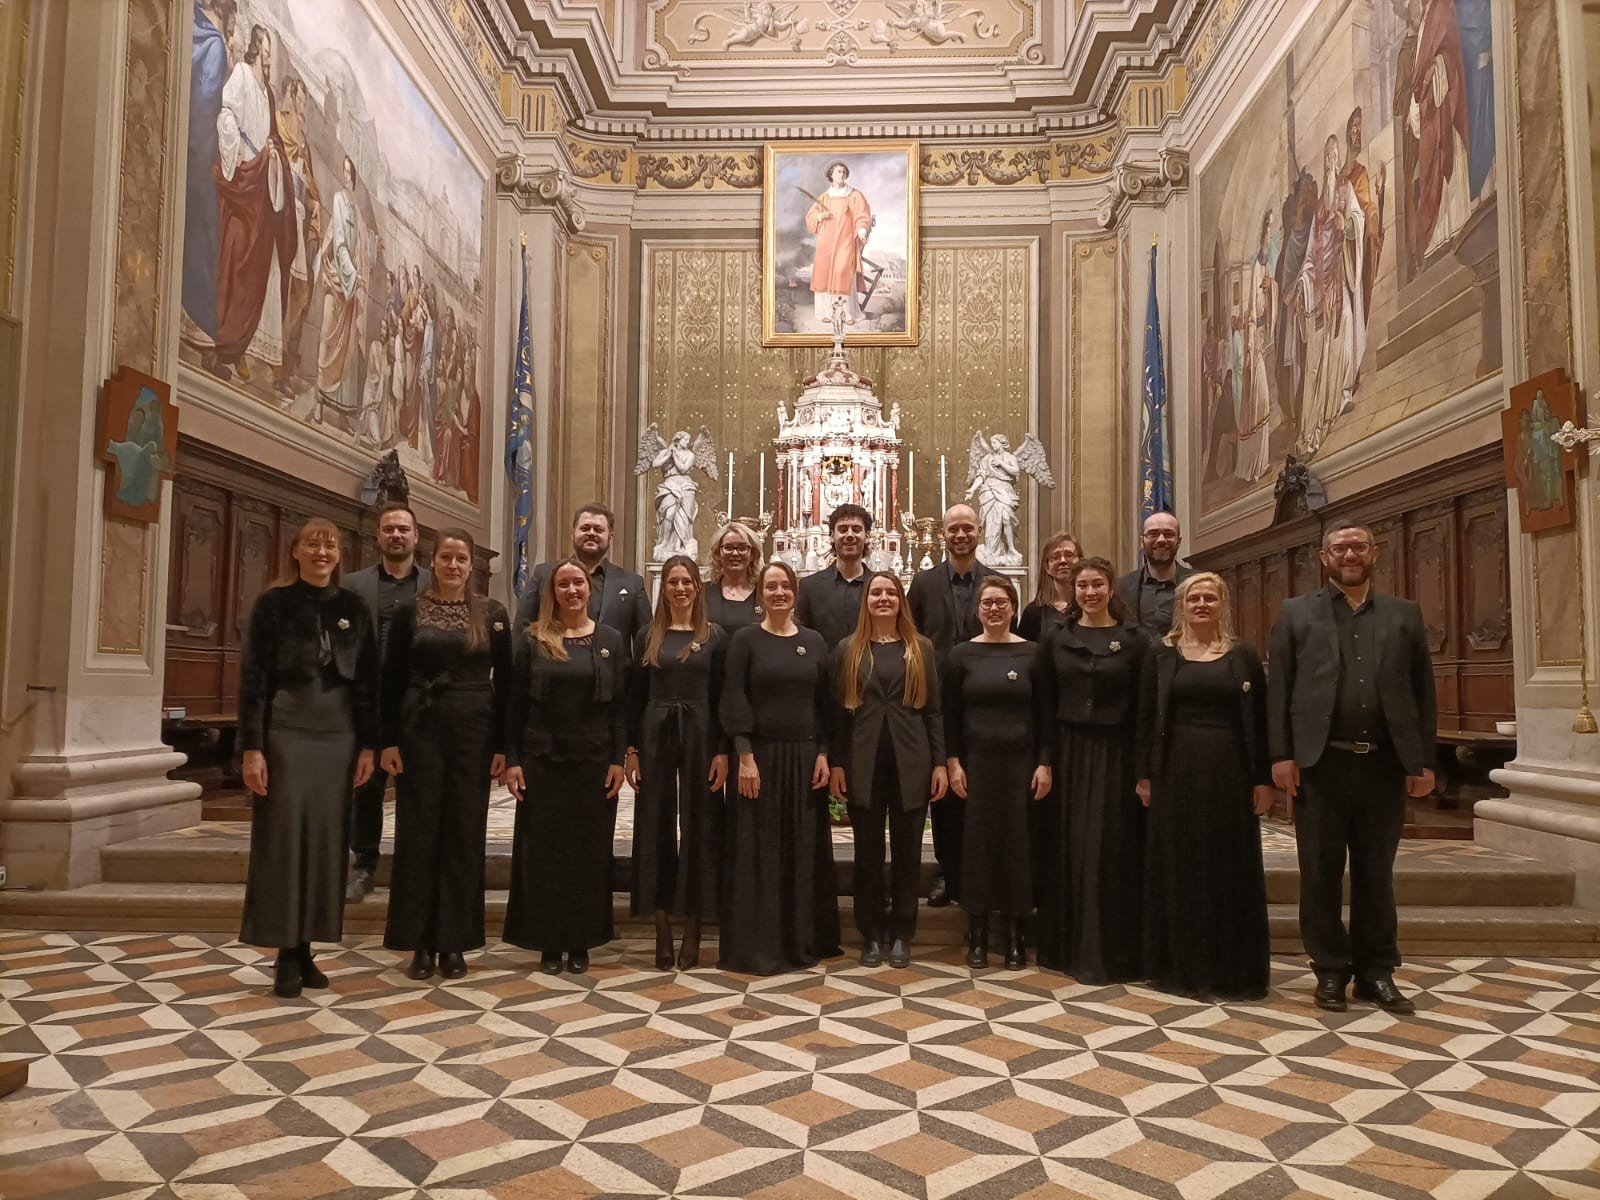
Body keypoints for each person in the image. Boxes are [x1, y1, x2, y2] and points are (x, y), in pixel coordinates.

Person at [1269, 523, 1437, 1015]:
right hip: (1321, 764)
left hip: (1383, 765)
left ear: (1374, 553)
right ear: (1324, 558)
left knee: (1375, 874)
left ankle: (1376, 971)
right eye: (1339, 547)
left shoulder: (1404, 615)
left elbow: (1423, 692)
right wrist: (1280, 754)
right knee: (1318, 873)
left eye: (1357, 546)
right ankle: (1328, 970)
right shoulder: (1297, 613)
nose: (1349, 554)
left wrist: (1422, 759)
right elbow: (1280, 686)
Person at [237, 518, 378, 998]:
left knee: (326, 842)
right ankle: (284, 952)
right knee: (283, 843)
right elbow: (254, 679)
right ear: (294, 551)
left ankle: (307, 949)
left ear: (340, 555)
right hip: (286, 733)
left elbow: (367, 684)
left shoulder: (353, 607)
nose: (322, 552)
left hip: (338, 736)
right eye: (313, 544)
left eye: (331, 545)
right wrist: (252, 748)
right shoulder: (272, 605)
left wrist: (368, 746)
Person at [378, 530, 510, 982]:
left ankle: (455, 942)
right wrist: (388, 741)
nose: (454, 565)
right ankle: (419, 942)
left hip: (473, 730)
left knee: (463, 835)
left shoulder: (492, 614)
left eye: (461, 559)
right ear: (432, 561)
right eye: (446, 557)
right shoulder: (408, 612)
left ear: (471, 565)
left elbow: (507, 685)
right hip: (420, 728)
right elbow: (391, 679)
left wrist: (502, 747)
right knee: (419, 835)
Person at [1136, 573, 1273, 1002]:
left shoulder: (1243, 655)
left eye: (1209, 598)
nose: (1201, 604)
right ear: (1181, 605)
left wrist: (1262, 778)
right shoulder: (1160, 654)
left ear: (1223, 604)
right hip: (1174, 771)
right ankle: (1178, 967)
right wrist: (1143, 774)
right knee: (1178, 863)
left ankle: (1232, 971)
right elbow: (1144, 718)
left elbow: (1260, 720)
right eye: (1193, 598)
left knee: (1228, 865)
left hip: (1229, 772)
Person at [503, 560, 628, 975]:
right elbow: (514, 705)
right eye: (563, 584)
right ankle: (547, 942)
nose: (572, 590)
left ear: (589, 589)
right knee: (544, 852)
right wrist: (514, 760)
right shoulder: (533, 639)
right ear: (552, 592)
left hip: (593, 763)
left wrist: (617, 759)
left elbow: (620, 708)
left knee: (588, 854)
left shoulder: (609, 639)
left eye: (578, 582)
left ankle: (581, 940)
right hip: (542, 761)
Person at [718, 561, 840, 974]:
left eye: (785, 586)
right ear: (760, 594)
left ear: (795, 592)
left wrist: (824, 752)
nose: (779, 593)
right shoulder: (745, 641)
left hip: (805, 759)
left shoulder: (815, 641)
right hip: (761, 759)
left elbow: (826, 704)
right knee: (760, 851)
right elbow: (734, 698)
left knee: (801, 851)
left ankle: (800, 941)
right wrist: (745, 756)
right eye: (771, 587)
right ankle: (761, 945)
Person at [1034, 557, 1150, 982]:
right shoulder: (1055, 637)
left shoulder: (1137, 640)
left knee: (1113, 847)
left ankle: (1114, 951)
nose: (1089, 592)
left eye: (1097, 584)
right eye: (1082, 585)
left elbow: (1144, 709)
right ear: (1073, 590)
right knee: (1071, 845)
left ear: (1110, 588)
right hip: (1068, 753)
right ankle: (1067, 948)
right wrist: (1044, 761)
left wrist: (1144, 770)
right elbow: (1043, 705)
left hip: (1118, 755)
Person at [831, 573, 946, 969]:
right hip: (863, 762)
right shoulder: (848, 648)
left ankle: (902, 932)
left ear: (901, 600)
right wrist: (836, 764)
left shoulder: (921, 648)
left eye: (890, 592)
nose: (883, 598)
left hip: (910, 761)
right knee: (867, 853)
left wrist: (940, 764)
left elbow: (933, 712)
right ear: (866, 600)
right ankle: (872, 933)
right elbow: (838, 717)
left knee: (907, 853)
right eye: (876, 592)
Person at [943, 576, 1054, 969]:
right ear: (978, 609)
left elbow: (1044, 715)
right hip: (977, 766)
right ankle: (977, 935)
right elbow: (951, 716)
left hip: (1021, 767)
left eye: (1001, 603)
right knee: (977, 848)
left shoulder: (1034, 654)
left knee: (1018, 848)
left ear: (1013, 607)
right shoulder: (960, 655)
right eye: (987, 603)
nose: (993, 609)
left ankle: (1015, 936)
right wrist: (953, 761)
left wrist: (1044, 762)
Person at [626, 556, 729, 970]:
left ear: (697, 588)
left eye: (687, 581)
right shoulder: (647, 635)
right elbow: (633, 696)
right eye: (673, 581)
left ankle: (694, 926)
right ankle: (662, 925)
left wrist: (723, 749)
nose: (681, 587)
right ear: (664, 588)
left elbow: (724, 699)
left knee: (701, 825)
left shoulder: (715, 637)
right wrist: (631, 749)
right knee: (655, 824)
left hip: (702, 732)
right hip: (655, 733)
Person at [907, 504, 1002, 909]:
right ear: (943, 534)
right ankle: (946, 870)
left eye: (967, 528)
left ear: (979, 532)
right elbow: (909, 635)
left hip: (985, 700)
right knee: (943, 789)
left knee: (982, 786)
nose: (961, 535)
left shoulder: (995, 582)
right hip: (938, 700)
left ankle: (982, 869)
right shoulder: (924, 583)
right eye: (953, 529)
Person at [340, 504, 432, 903]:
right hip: (368, 700)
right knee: (367, 787)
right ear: (378, 537)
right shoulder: (352, 585)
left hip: (419, 701)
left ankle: (417, 867)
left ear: (416, 537)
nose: (396, 536)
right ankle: (364, 864)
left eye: (404, 530)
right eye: (389, 529)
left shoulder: (435, 584)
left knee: (419, 787)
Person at [211, 24, 297, 383]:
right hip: (242, 177)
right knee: (235, 255)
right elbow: (227, 113)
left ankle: (239, 347)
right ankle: (223, 342)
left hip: (261, 188)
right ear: (255, 46)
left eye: (270, 50)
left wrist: (273, 154)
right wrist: (240, 156)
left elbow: (274, 139)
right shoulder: (243, 76)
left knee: (258, 270)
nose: (268, 54)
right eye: (265, 46)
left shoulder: (270, 94)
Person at [514, 504, 651, 661]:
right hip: (556, 670)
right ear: (573, 533)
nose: (591, 533)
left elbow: (645, 640)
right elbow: (522, 629)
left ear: (610, 537)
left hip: (614, 679)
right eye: (585, 528)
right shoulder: (544, 575)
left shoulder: (632, 583)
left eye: (599, 530)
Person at [796, 504, 872, 650]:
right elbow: (802, 637)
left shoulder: (880, 588)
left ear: (867, 536)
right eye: (842, 529)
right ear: (831, 536)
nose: (849, 535)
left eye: (856, 529)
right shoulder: (810, 587)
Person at [805, 161, 872, 325]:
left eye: (843, 171)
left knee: (843, 272)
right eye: (838, 172)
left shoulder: (854, 195)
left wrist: (862, 231)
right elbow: (811, 216)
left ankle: (847, 314)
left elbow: (862, 216)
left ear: (846, 175)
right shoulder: (824, 197)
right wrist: (820, 217)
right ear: (831, 175)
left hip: (846, 239)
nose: (841, 174)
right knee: (824, 273)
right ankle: (825, 312)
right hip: (826, 241)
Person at [1115, 511, 1195, 639]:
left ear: (1179, 541)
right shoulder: (1121, 587)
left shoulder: (1197, 582)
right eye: (1153, 534)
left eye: (1169, 534)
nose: (1161, 540)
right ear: (1142, 541)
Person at [1018, 532, 1083, 643]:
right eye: (1055, 557)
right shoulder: (1033, 612)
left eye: (1069, 555)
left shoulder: (1091, 605)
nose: (1063, 561)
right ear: (1047, 567)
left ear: (1080, 561)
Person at [704, 521, 764, 632]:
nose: (735, 553)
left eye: (742, 548)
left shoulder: (765, 593)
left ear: (753, 554)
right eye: (728, 547)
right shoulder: (702, 592)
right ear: (717, 553)